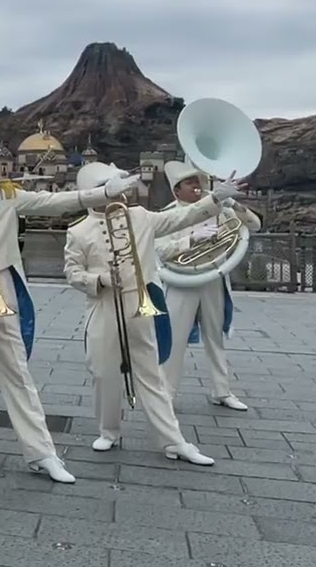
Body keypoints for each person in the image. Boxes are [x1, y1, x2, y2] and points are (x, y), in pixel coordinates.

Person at [0, 125, 140, 481]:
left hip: (0, 286)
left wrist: (101, 194)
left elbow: (53, 203)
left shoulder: (6, 195)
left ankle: (42, 452)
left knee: (18, 373)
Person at [62, 161, 242, 465]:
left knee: (152, 377)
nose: (122, 192)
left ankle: (173, 441)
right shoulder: (79, 231)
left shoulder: (139, 217)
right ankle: (109, 431)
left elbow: (180, 216)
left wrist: (215, 199)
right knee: (104, 374)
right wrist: (98, 280)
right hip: (104, 308)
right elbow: (71, 272)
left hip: (139, 306)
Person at [154, 161, 262, 411]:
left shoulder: (219, 209)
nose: (198, 188)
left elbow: (254, 225)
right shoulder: (167, 215)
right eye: (191, 183)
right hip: (182, 283)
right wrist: (191, 239)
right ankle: (166, 394)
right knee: (175, 340)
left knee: (215, 338)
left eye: (199, 183)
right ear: (176, 190)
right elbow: (159, 250)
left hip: (213, 279)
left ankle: (221, 391)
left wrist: (233, 203)